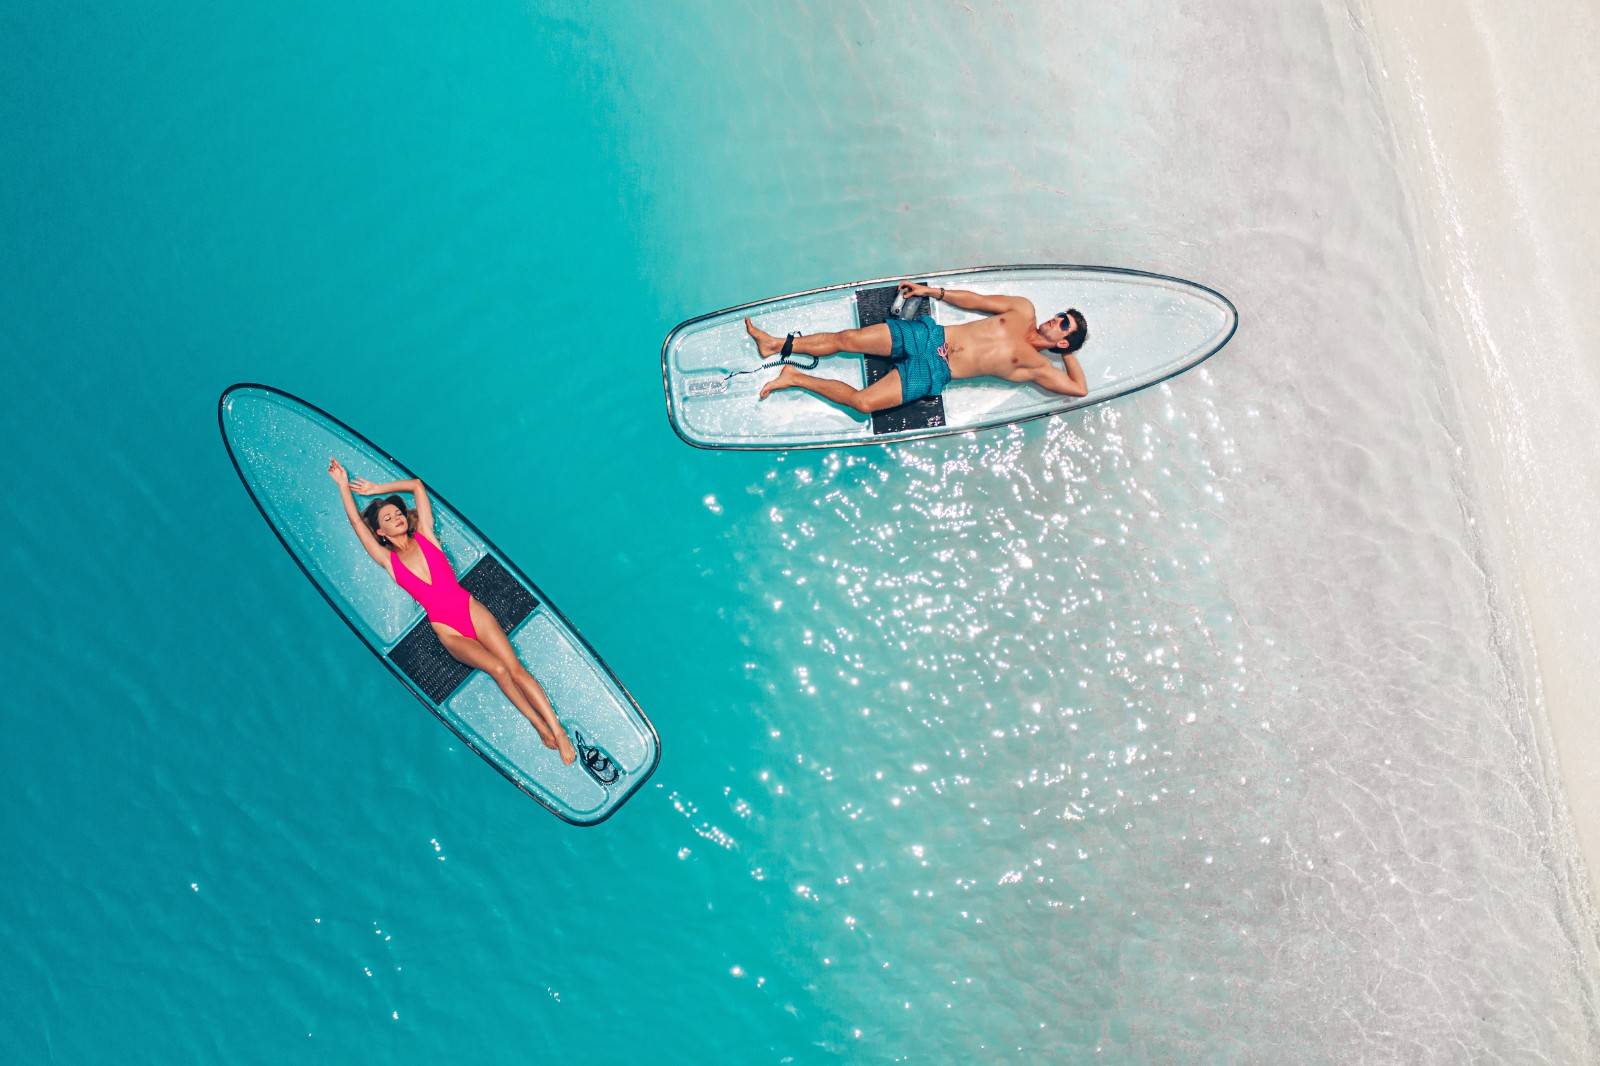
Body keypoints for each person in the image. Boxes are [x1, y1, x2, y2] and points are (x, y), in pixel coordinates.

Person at [326, 459, 577, 765]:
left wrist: (378, 489)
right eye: (388, 518)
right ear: (380, 532)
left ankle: (558, 731)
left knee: (515, 669)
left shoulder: (426, 534)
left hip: (470, 610)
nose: (397, 518)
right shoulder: (388, 561)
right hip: (448, 630)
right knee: (497, 670)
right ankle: (538, 725)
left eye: (397, 513)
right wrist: (343, 486)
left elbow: (416, 485)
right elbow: (356, 524)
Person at [747, 281, 1089, 412]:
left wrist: (1067, 353)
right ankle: (775, 344)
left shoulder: (1037, 366)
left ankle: (795, 377)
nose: (1055, 319)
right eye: (1060, 315)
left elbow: (1079, 389)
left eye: (1063, 325)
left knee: (864, 403)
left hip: (936, 370)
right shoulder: (1022, 310)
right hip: (931, 336)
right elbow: (977, 300)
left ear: (1062, 340)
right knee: (848, 339)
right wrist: (933, 292)